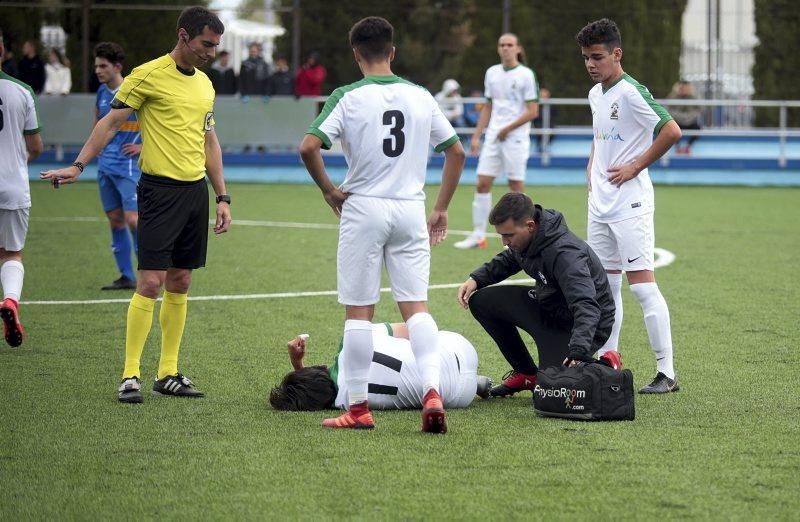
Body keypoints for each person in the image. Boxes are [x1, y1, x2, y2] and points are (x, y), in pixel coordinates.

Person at [40, 7, 232, 403]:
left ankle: (168, 372)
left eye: (215, 45)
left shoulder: (205, 85)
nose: (211, 52)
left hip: (195, 192)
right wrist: (79, 165)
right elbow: (108, 124)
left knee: (181, 280)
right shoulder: (147, 74)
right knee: (150, 282)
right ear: (184, 36)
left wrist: (222, 195)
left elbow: (209, 141)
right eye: (206, 44)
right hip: (158, 192)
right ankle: (130, 375)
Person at [299, 16, 465, 432]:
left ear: (356, 55)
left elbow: (308, 146)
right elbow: (456, 151)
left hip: (364, 208)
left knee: (359, 312)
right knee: (417, 307)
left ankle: (358, 409)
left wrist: (328, 190)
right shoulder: (421, 95)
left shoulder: (347, 95)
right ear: (393, 52)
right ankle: (432, 390)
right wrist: (441, 208)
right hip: (410, 208)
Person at [576, 18, 682, 393]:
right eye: (586, 58)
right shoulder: (595, 94)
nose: (591, 64)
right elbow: (599, 136)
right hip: (600, 204)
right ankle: (609, 357)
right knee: (606, 287)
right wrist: (591, 165)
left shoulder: (632, 92)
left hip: (631, 203)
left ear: (616, 54)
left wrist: (636, 165)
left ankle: (666, 373)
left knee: (642, 288)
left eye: (598, 57)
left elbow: (672, 130)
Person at [457, 193, 617, 397]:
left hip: (579, 325)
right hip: (549, 308)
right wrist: (476, 279)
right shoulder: (525, 239)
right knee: (481, 301)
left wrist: (578, 351)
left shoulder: (565, 254)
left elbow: (587, 306)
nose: (504, 242)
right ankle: (526, 373)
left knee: (550, 392)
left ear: (530, 225)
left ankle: (605, 365)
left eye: (508, 235)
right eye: (501, 235)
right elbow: (509, 260)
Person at [270, 323, 491, 412]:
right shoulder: (349, 342)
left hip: (461, 396)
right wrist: (298, 364)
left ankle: (474, 382)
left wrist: (299, 369)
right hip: (460, 349)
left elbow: (321, 392)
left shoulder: (349, 405)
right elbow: (408, 328)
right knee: (415, 333)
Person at [455, 33, 539, 250]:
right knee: (482, 183)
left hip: (516, 138)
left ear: (518, 48)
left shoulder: (526, 75)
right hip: (493, 137)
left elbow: (533, 111)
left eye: (510, 45)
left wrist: (508, 128)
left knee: (516, 187)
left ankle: (522, 237)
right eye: (502, 44)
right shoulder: (491, 73)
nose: (506, 48)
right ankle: (478, 235)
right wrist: (476, 135)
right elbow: (488, 106)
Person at [0, 27, 44, 348]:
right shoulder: (21, 91)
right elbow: (37, 146)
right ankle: (11, 303)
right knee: (11, 252)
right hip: (12, 185)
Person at [93, 42, 141, 290]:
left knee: (134, 220)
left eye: (103, 66)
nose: (98, 70)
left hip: (129, 166)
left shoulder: (134, 92)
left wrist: (143, 147)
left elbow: (157, 125)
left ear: (117, 67)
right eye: (96, 66)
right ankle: (126, 276)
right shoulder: (102, 92)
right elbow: (99, 123)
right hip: (106, 166)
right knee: (115, 220)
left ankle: (148, 271)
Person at [668, 80, 702, 155]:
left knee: (698, 128)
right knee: (671, 129)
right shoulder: (674, 96)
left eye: (686, 88)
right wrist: (675, 93)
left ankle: (688, 147)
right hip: (678, 121)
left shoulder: (694, 97)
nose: (684, 89)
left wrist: (692, 94)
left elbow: (700, 108)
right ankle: (678, 148)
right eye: (682, 88)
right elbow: (669, 107)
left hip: (690, 122)